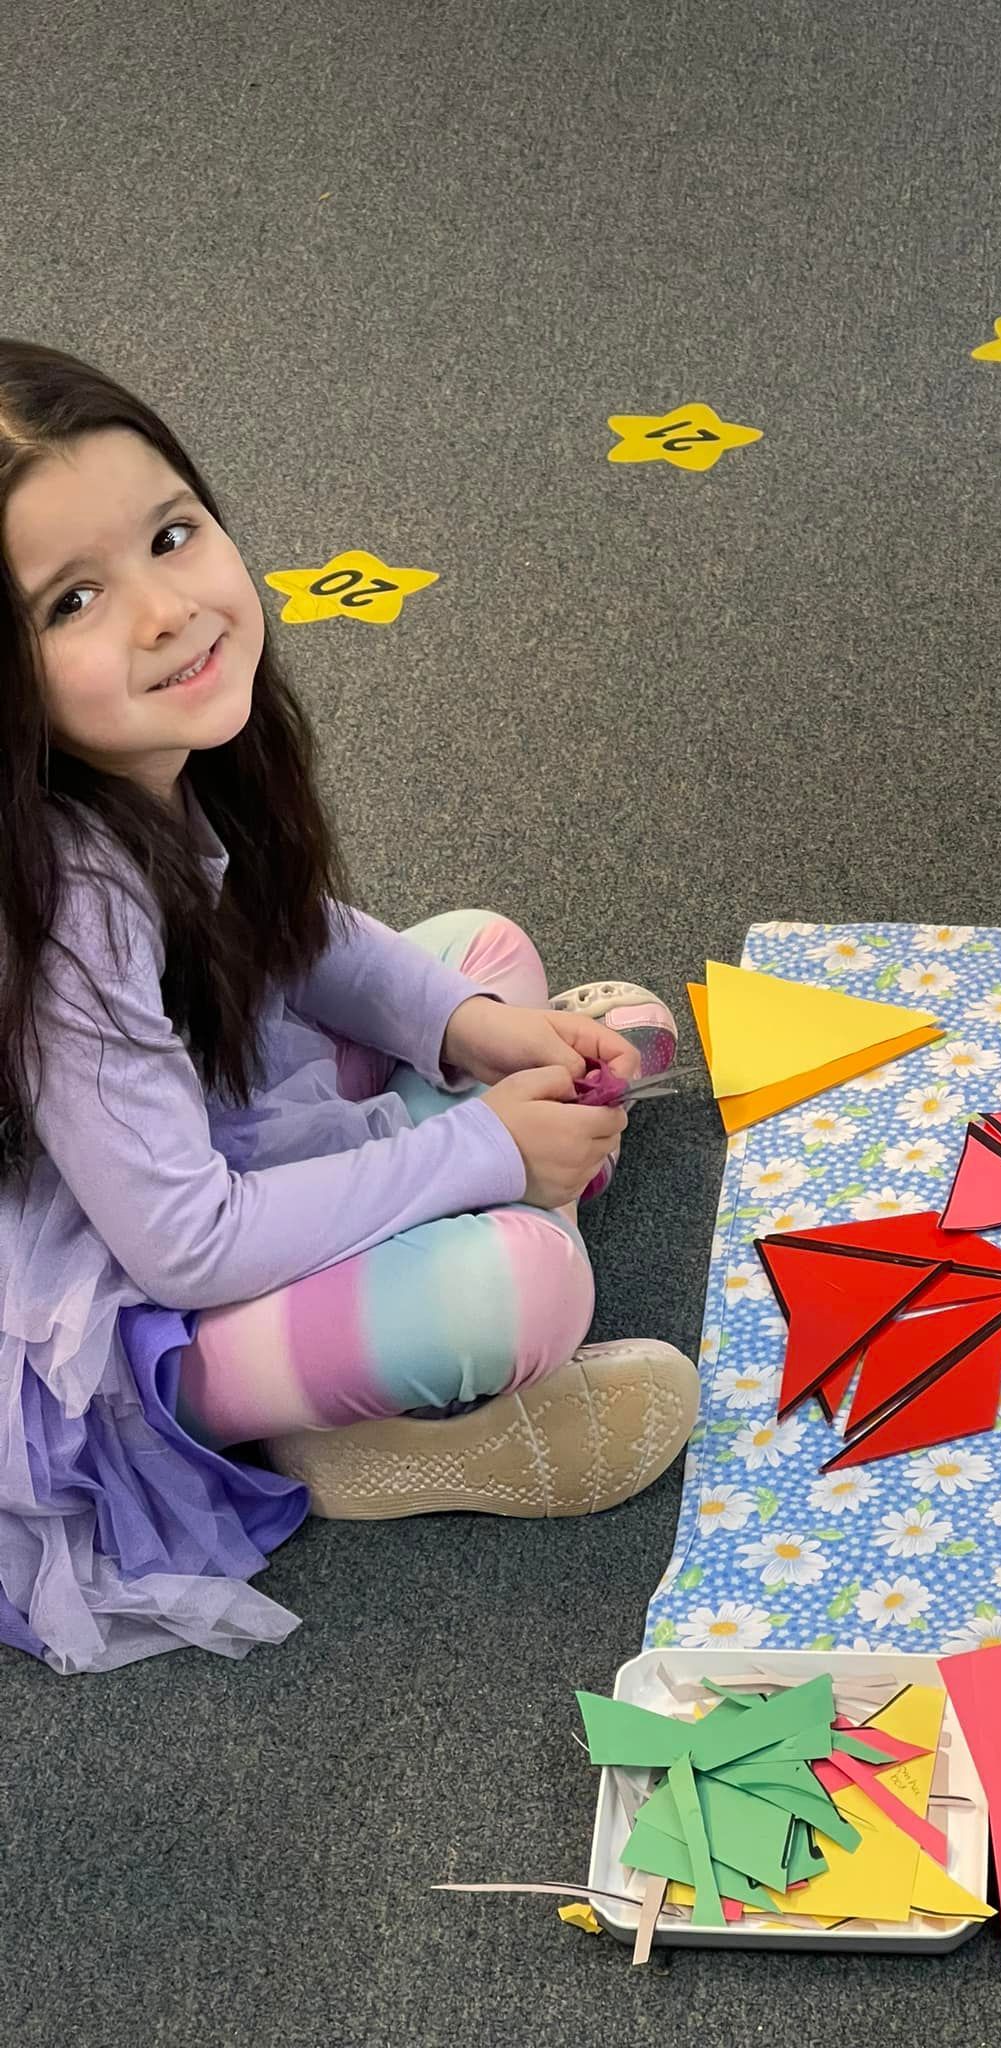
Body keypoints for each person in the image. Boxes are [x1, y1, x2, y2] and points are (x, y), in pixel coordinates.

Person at [0, 339, 700, 1676]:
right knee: (528, 1287)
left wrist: (475, 1037)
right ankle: (352, 1429)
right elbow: (185, 1250)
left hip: (203, 1136)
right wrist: (486, 1148)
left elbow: (289, 934)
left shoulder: (155, 756)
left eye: (171, 534)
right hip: (128, 1325)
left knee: (477, 955)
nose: (162, 611)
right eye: (72, 600)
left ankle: (506, 1166)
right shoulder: (61, 901)